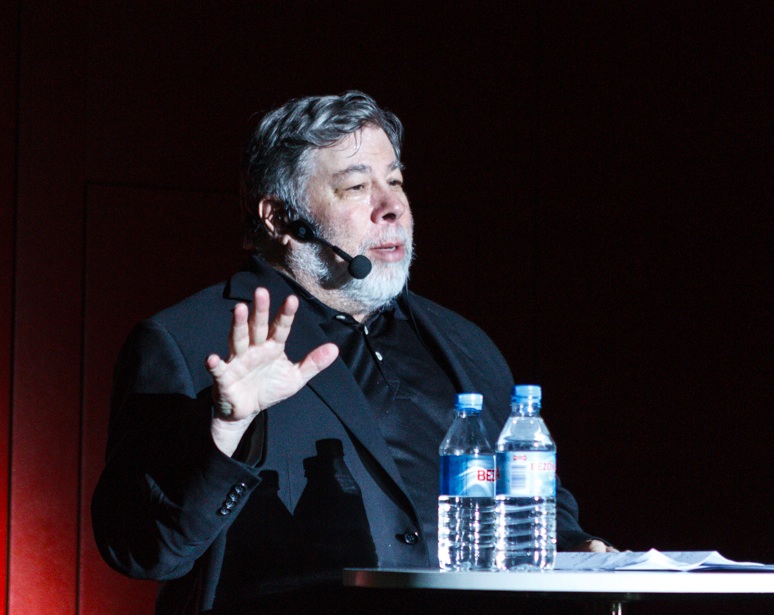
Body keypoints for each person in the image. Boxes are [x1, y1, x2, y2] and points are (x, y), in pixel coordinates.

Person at [92, 91, 610, 615]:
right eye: (357, 187)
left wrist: (578, 546)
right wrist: (223, 431)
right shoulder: (187, 339)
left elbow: (534, 501)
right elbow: (139, 548)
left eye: (396, 181)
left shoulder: (464, 342)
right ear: (280, 218)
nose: (392, 207)